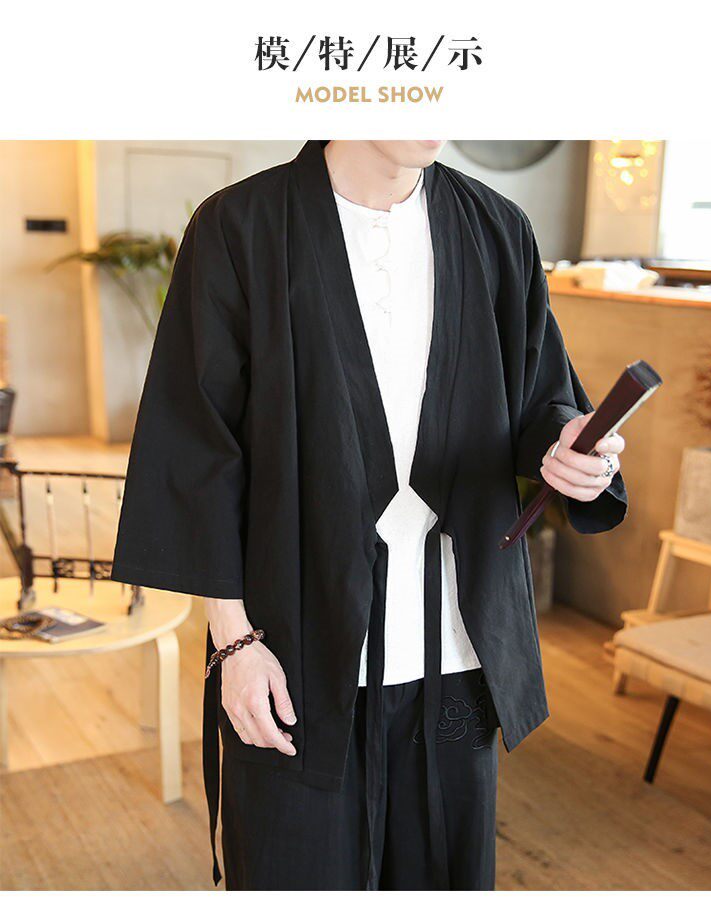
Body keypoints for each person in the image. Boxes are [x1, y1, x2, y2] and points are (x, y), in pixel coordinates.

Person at [112, 140, 627, 891]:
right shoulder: (240, 226)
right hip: (293, 646)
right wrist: (235, 641)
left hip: (456, 647)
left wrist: (573, 451)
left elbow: (540, 397)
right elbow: (198, 446)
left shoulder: (496, 228)